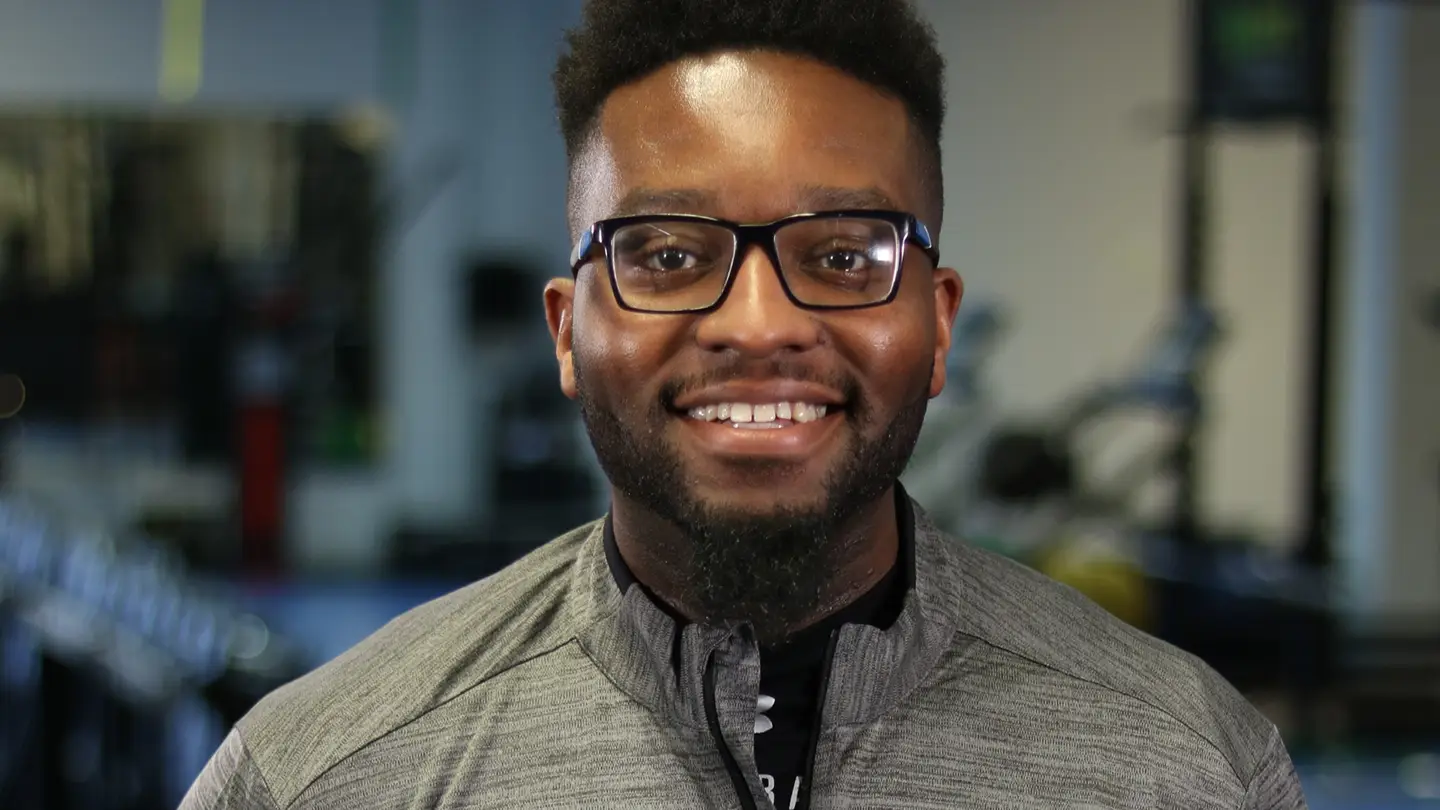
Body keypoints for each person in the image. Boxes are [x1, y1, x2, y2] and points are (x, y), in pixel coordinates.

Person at [182, 1, 1308, 807]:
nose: (760, 323)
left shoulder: (1184, 765)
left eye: (846, 252)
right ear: (570, 331)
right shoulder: (327, 773)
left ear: (940, 324)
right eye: (668, 255)